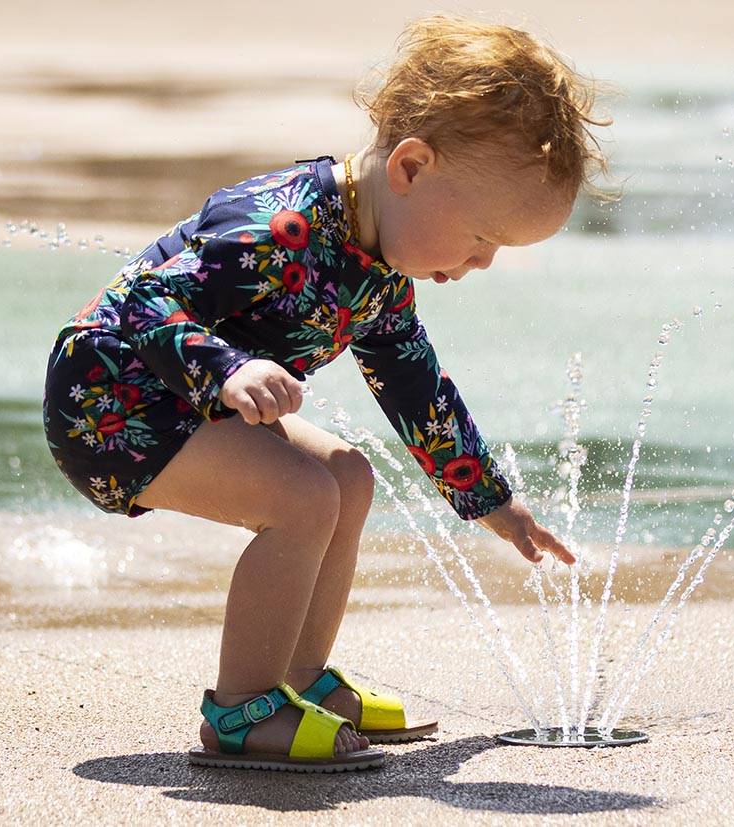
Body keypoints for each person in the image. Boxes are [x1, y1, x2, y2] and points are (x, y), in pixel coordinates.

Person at [41, 12, 610, 773]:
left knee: (346, 476)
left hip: (184, 403)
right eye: (482, 236)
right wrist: (227, 367)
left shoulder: (380, 265)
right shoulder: (283, 228)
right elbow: (144, 300)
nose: (482, 262)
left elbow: (414, 384)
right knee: (302, 497)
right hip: (110, 403)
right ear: (410, 168)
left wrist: (488, 498)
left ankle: (297, 678)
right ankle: (242, 711)